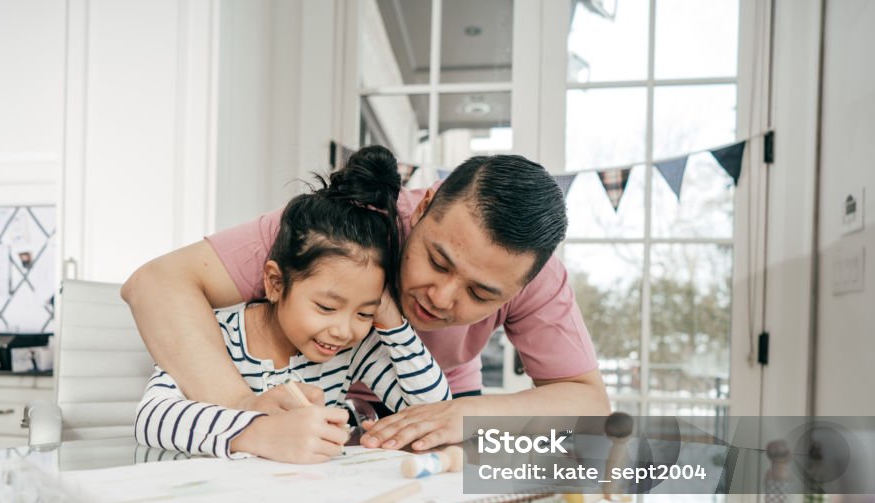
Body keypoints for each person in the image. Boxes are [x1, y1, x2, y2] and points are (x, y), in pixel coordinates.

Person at [123, 147, 610, 454]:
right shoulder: (343, 227)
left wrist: (469, 414)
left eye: (481, 294)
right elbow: (155, 284)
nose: (440, 299)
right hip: (303, 417)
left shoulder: (539, 275)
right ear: (421, 208)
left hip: (434, 408)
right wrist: (243, 410)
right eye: (437, 262)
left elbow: (589, 401)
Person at [134, 147, 451, 462]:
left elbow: (433, 411)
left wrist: (393, 323)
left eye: (365, 311)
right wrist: (257, 432)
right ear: (275, 282)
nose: (343, 330)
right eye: (326, 307)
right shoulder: (217, 334)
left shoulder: (353, 349)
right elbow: (152, 419)